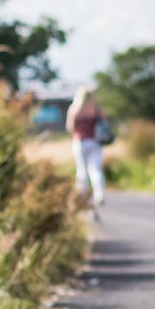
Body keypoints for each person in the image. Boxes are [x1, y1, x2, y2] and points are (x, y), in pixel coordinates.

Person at [67, 85, 109, 215]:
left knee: (82, 170)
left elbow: (70, 127)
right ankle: (99, 195)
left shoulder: (74, 109)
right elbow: (105, 125)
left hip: (80, 142)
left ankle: (83, 196)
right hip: (94, 142)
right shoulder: (96, 109)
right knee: (95, 169)